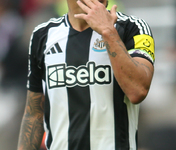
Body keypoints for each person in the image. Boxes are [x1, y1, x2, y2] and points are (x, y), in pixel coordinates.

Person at [17, 0, 155, 149]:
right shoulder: (42, 35)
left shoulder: (133, 28)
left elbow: (138, 91)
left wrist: (108, 32)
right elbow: (34, 113)